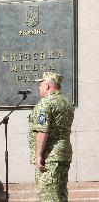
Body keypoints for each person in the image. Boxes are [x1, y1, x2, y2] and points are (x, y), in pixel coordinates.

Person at [27, 72, 75, 201]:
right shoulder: (66, 103)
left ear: (47, 86)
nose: (39, 87)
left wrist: (38, 155)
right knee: (60, 194)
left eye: (41, 84)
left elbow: (42, 131)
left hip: (50, 157)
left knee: (49, 197)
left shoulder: (45, 103)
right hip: (63, 154)